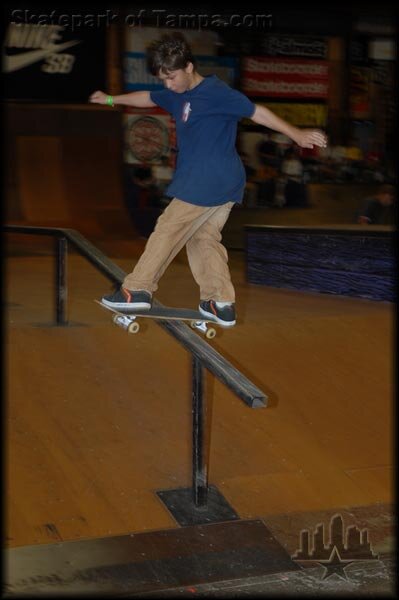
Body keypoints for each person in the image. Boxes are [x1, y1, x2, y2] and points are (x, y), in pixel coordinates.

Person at [89, 33, 327, 327]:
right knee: (203, 238)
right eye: (163, 79)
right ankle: (220, 302)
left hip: (208, 178)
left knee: (169, 227)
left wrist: (297, 134)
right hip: (223, 183)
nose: (168, 85)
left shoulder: (217, 92)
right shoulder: (176, 93)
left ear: (189, 67)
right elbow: (147, 98)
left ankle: (137, 289)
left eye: (172, 77)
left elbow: (258, 113)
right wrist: (111, 99)